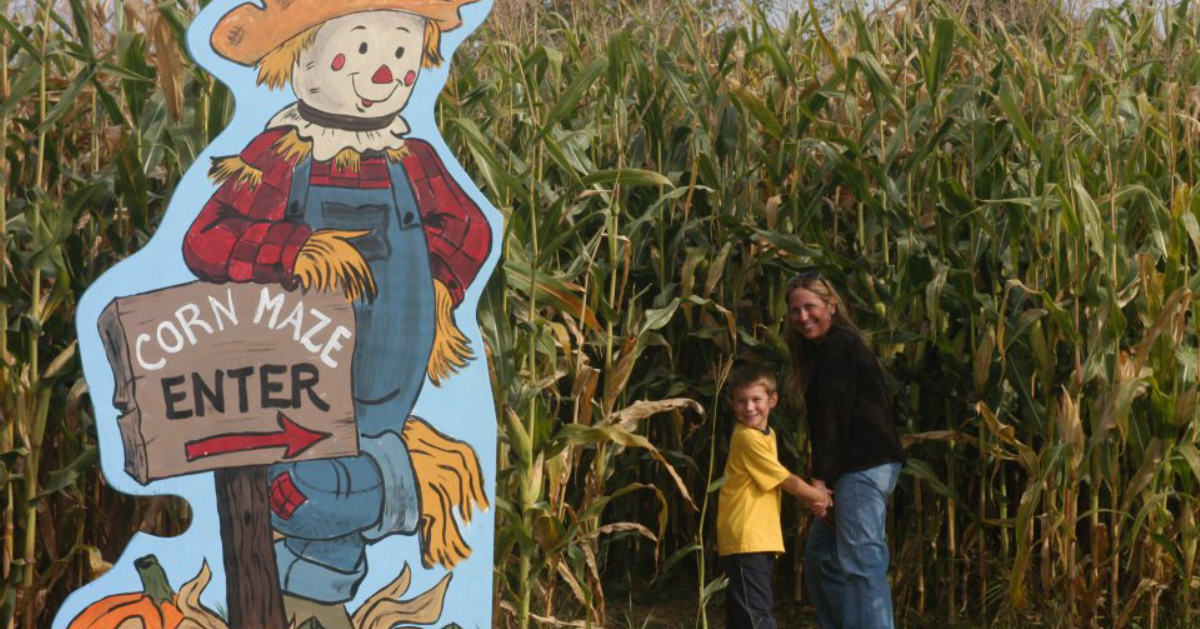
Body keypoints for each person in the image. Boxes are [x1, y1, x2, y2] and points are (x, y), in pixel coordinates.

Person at [184, 1, 491, 626]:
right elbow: (207, 240)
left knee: (324, 515)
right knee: (300, 500)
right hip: (291, 396)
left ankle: (311, 610)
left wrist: (438, 286)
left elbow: (471, 228)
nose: (386, 72)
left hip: (383, 397)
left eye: (402, 53)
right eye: (362, 49)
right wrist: (294, 249)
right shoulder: (282, 155)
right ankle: (411, 481)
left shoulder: (412, 160)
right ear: (303, 57)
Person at [785, 270, 906, 629]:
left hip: (862, 467)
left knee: (862, 564)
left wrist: (820, 481)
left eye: (811, 307)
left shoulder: (838, 347)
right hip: (857, 466)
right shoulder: (830, 349)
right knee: (822, 557)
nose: (803, 317)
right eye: (795, 311)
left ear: (832, 306)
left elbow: (833, 417)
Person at [717, 364, 834, 629]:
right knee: (756, 615)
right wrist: (819, 496)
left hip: (757, 536)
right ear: (732, 404)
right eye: (741, 401)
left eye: (756, 400)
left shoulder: (767, 435)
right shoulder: (746, 437)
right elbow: (785, 480)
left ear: (773, 400)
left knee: (743, 614)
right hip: (746, 536)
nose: (749, 408)